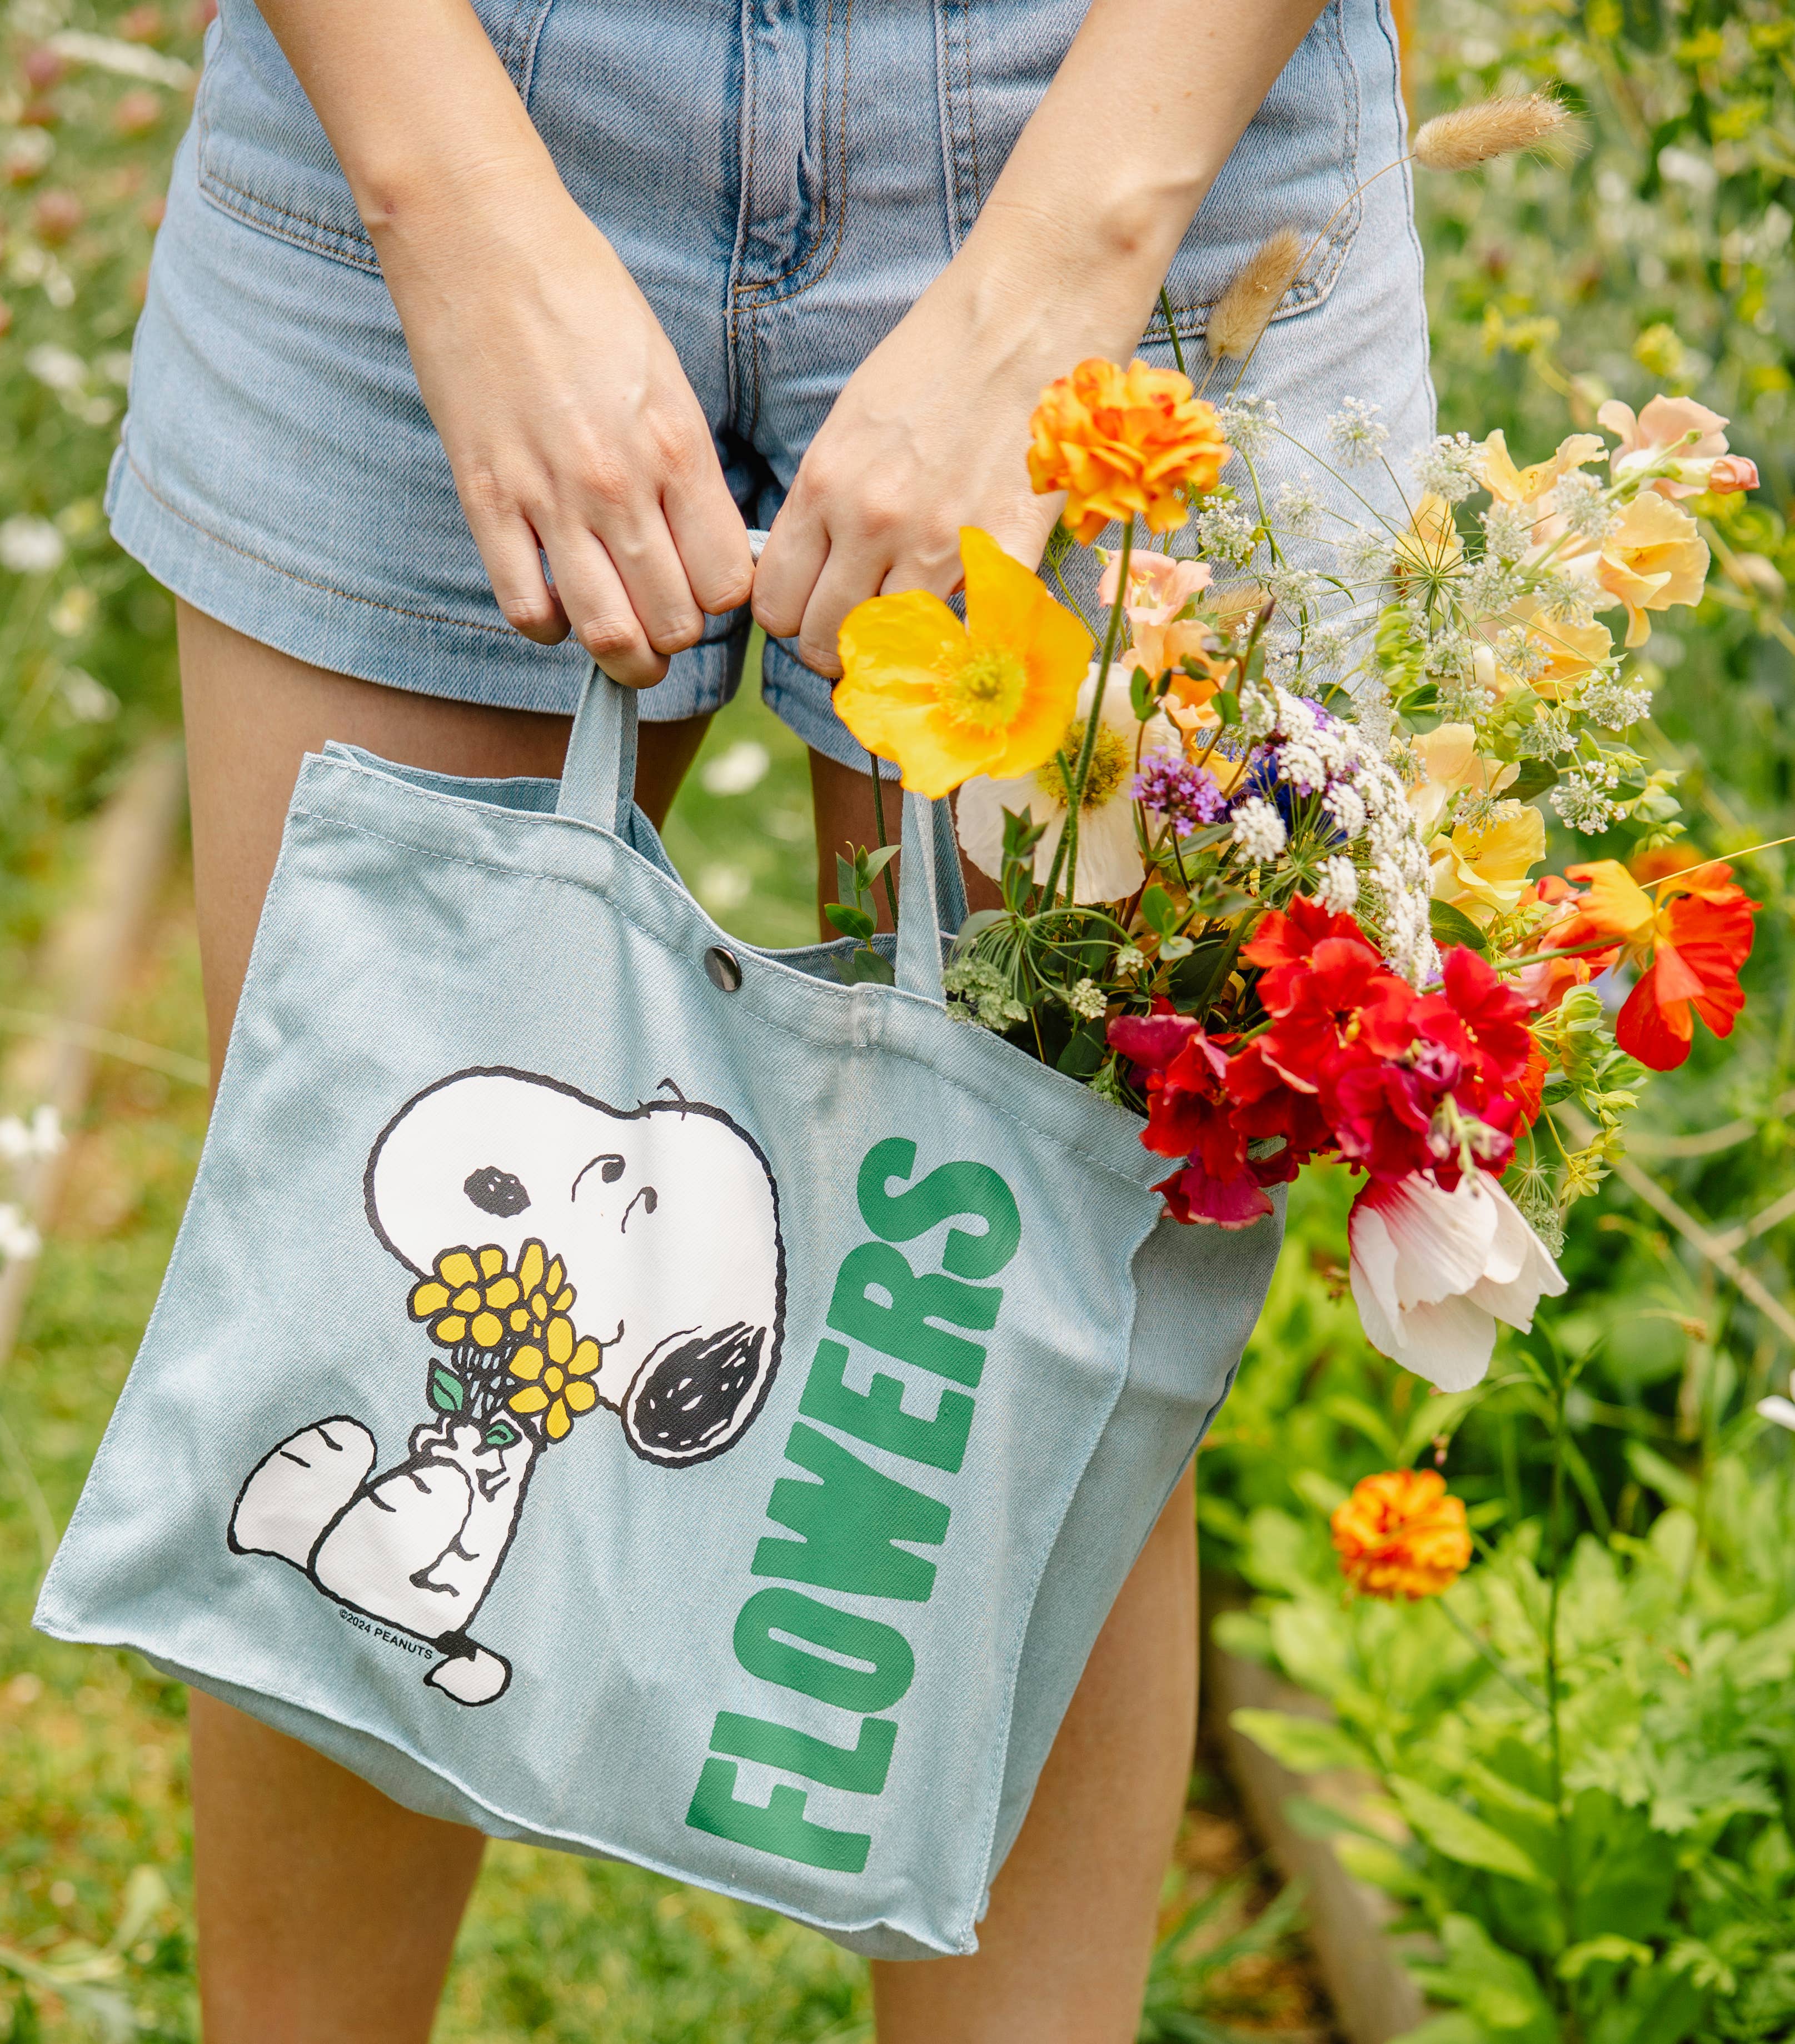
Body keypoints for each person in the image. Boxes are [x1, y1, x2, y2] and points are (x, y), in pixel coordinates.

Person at [109, 0, 1430, 2033]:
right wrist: (447, 199)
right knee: (352, 1334)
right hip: (440, 76)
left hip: (1127, 111)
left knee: (1018, 1358)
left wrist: (1063, 273)